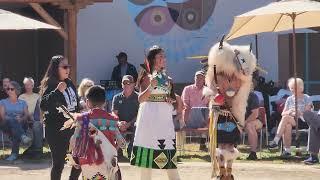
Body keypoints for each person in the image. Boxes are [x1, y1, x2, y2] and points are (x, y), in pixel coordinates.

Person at [205, 40, 257, 179]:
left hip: (233, 115)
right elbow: (208, 91)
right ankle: (222, 171)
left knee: (230, 145)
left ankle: (228, 171)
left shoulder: (240, 79)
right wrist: (215, 97)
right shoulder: (215, 75)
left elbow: (245, 80)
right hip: (219, 115)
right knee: (221, 145)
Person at [130, 45, 180, 180]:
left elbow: (172, 99)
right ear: (152, 60)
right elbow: (141, 99)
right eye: (160, 57)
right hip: (149, 119)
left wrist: (170, 100)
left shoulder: (168, 79)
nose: (164, 59)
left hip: (164, 119)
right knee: (147, 156)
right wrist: (151, 86)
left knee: (169, 155)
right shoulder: (147, 77)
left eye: (164, 56)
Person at [66, 85, 125, 179]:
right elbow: (122, 142)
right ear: (105, 102)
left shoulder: (82, 119)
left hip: (87, 162)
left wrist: (75, 159)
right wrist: (116, 147)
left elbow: (73, 141)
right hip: (108, 161)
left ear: (87, 102)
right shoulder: (111, 120)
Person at [39, 55, 81, 180]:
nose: (68, 69)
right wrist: (57, 91)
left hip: (73, 128)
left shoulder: (70, 83)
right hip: (56, 130)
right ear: (56, 69)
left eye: (68, 66)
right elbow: (43, 105)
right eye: (64, 67)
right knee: (58, 164)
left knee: (78, 160)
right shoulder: (51, 84)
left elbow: (75, 106)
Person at [268, 78, 312, 157]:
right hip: (292, 120)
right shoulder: (289, 99)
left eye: (294, 88)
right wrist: (290, 111)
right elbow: (283, 113)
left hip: (303, 121)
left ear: (301, 88)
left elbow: (307, 113)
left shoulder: (306, 98)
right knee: (287, 125)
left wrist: (299, 112)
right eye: (291, 88)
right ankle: (287, 151)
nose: (292, 90)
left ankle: (276, 140)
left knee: (286, 120)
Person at [0, 81, 31, 161]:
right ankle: (22, 136)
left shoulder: (23, 103)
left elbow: (26, 115)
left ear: (16, 90)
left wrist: (21, 119)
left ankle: (14, 154)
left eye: (11, 89)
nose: (9, 90)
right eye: (8, 89)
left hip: (20, 123)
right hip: (6, 124)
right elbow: (3, 116)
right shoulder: (3, 102)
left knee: (15, 130)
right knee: (13, 121)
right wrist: (13, 119)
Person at [112, 75, 139, 159]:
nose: (127, 85)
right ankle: (117, 152)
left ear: (134, 84)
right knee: (111, 125)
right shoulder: (116, 97)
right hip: (120, 123)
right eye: (124, 83)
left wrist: (129, 124)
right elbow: (114, 113)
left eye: (129, 83)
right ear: (122, 84)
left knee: (137, 125)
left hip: (133, 123)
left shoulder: (139, 97)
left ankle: (131, 151)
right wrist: (119, 122)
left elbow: (139, 114)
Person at [181, 70, 209, 150]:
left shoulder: (207, 90)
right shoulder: (187, 89)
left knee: (207, 113)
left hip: (203, 116)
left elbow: (209, 104)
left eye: (201, 78)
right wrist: (191, 110)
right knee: (196, 111)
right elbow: (184, 103)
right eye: (197, 77)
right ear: (194, 78)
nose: (198, 79)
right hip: (190, 115)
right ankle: (203, 143)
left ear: (204, 80)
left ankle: (203, 143)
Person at [19, 77, 43, 158]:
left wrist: (41, 120)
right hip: (24, 119)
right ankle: (34, 149)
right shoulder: (21, 97)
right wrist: (29, 115)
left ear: (33, 85)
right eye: (26, 85)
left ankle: (37, 150)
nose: (28, 86)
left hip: (35, 118)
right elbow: (20, 110)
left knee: (37, 124)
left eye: (30, 84)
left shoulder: (38, 96)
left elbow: (40, 110)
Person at [244, 91, 261, 160]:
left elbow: (255, 114)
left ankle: (253, 153)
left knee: (249, 125)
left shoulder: (252, 96)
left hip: (254, 120)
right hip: (238, 121)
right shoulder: (234, 95)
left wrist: (244, 122)